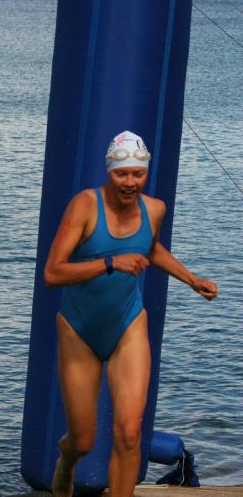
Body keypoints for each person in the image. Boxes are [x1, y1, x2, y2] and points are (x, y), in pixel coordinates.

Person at [44, 131, 218, 497]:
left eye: (137, 174)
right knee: (83, 439)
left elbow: (150, 248)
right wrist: (110, 263)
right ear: (109, 171)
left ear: (145, 173)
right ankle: (67, 459)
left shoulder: (154, 209)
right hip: (79, 330)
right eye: (121, 173)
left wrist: (192, 279)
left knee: (129, 432)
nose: (130, 182)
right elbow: (53, 272)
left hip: (128, 324)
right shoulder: (85, 206)